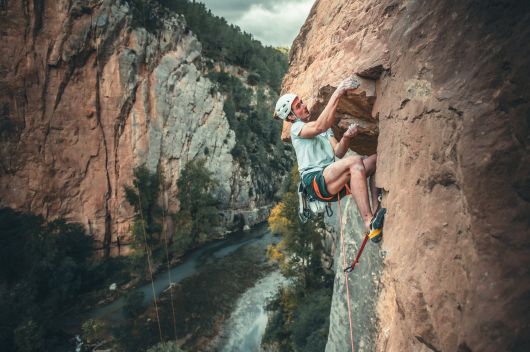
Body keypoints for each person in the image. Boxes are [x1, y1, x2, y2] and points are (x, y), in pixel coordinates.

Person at [274, 76, 385, 241]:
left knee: (376, 160)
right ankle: (369, 224)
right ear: (291, 117)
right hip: (315, 180)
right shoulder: (297, 129)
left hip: (331, 179)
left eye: (302, 102)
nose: (304, 105)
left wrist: (346, 137)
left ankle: (376, 211)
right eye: (298, 106)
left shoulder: (324, 131)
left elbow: (338, 152)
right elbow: (320, 125)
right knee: (355, 162)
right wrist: (338, 92)